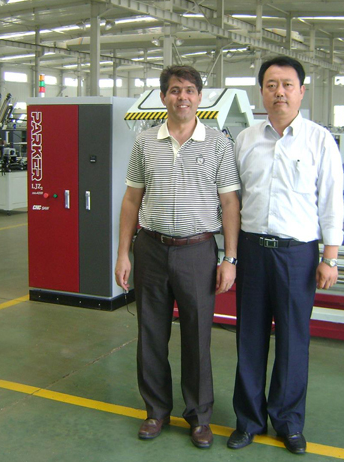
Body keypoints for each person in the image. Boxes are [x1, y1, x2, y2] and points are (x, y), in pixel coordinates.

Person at [115, 65, 240, 449]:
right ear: (163, 97)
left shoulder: (218, 144)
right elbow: (131, 199)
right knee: (151, 333)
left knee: (197, 336)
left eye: (188, 90)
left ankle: (199, 417)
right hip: (150, 249)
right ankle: (156, 411)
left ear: (200, 97)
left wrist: (230, 258)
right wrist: (123, 253)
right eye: (174, 90)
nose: (181, 97)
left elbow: (230, 203)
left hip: (197, 251)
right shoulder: (145, 142)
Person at [227, 56, 344, 454]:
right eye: (271, 85)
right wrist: (230, 255)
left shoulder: (319, 140)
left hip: (298, 255)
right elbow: (233, 201)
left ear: (301, 91)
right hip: (253, 251)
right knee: (250, 338)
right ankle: (248, 420)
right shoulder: (245, 140)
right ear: (261, 91)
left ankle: (289, 422)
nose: (280, 92)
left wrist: (330, 257)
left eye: (287, 85)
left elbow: (331, 201)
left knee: (294, 341)